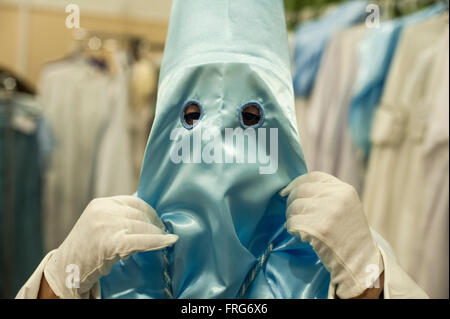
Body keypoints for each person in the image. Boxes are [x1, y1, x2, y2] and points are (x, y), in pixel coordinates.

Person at [18, 0, 427, 299]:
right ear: (162, 125)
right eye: (191, 115)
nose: (218, 142)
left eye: (250, 116)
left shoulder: (338, 248)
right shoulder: (110, 254)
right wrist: (59, 281)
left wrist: (368, 279)